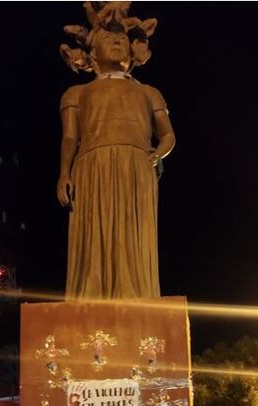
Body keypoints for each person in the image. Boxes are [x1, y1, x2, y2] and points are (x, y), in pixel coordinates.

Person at [56, 5, 175, 300]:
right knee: (94, 239)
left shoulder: (148, 92)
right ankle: (91, 295)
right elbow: (70, 137)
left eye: (121, 39)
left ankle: (137, 295)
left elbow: (168, 134)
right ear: (92, 53)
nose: (116, 41)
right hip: (91, 166)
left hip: (136, 165)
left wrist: (158, 154)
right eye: (107, 38)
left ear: (133, 52)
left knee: (134, 238)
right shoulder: (77, 94)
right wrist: (64, 173)